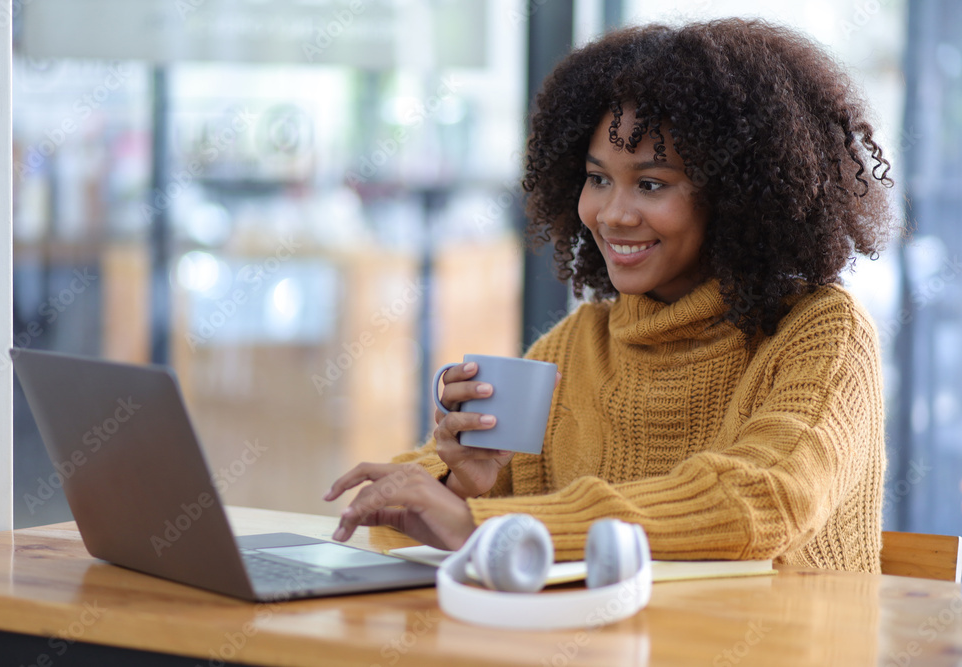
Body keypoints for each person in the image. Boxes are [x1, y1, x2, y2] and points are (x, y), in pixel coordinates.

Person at [325, 18, 896, 573]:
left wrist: (488, 526)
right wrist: (460, 483)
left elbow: (760, 503)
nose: (613, 215)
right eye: (597, 179)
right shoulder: (579, 344)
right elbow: (409, 518)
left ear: (734, 197)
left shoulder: (822, 332)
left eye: (651, 184)